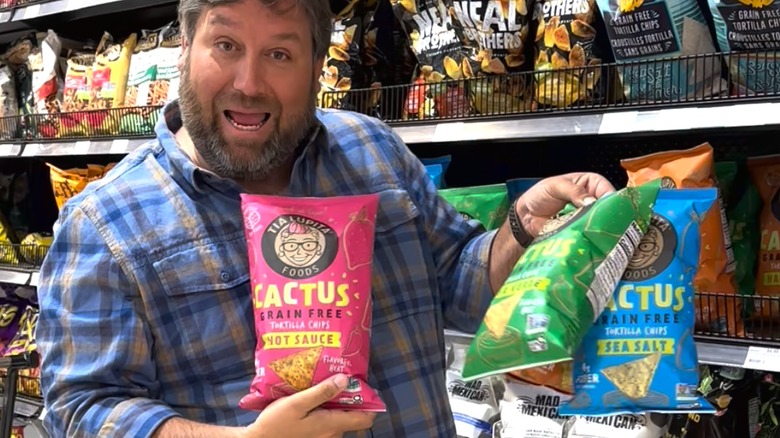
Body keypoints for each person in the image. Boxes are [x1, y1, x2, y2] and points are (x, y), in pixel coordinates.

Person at [35, 0, 615, 437]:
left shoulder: (371, 149)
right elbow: (82, 409)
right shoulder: (106, 222)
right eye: (226, 45)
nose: (248, 83)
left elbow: (459, 286)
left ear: (317, 66)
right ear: (185, 48)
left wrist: (521, 226)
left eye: (279, 54)